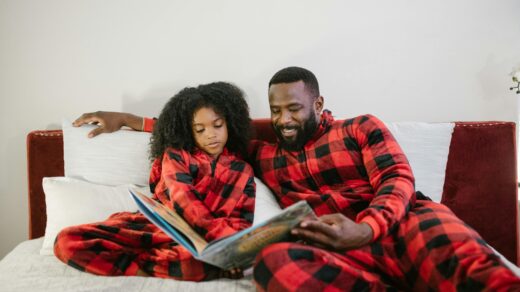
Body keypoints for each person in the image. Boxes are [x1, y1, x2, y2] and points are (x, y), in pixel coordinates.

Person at [73, 67, 520, 290]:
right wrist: (130, 119)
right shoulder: (262, 151)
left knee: (469, 263)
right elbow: (206, 124)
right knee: (274, 265)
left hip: (401, 223)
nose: (284, 120)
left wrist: (366, 226)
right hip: (336, 249)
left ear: (319, 103)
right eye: (275, 111)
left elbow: (397, 180)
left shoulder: (360, 126)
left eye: (294, 109)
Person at [54, 82, 256, 281]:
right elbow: (183, 201)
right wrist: (226, 243)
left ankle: (152, 265)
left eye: (218, 125)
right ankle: (152, 266)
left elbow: (241, 220)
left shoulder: (242, 170)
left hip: (198, 243)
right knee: (66, 241)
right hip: (154, 229)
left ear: (230, 122)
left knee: (191, 263)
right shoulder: (177, 155)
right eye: (200, 129)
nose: (211, 134)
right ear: (188, 131)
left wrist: (236, 250)